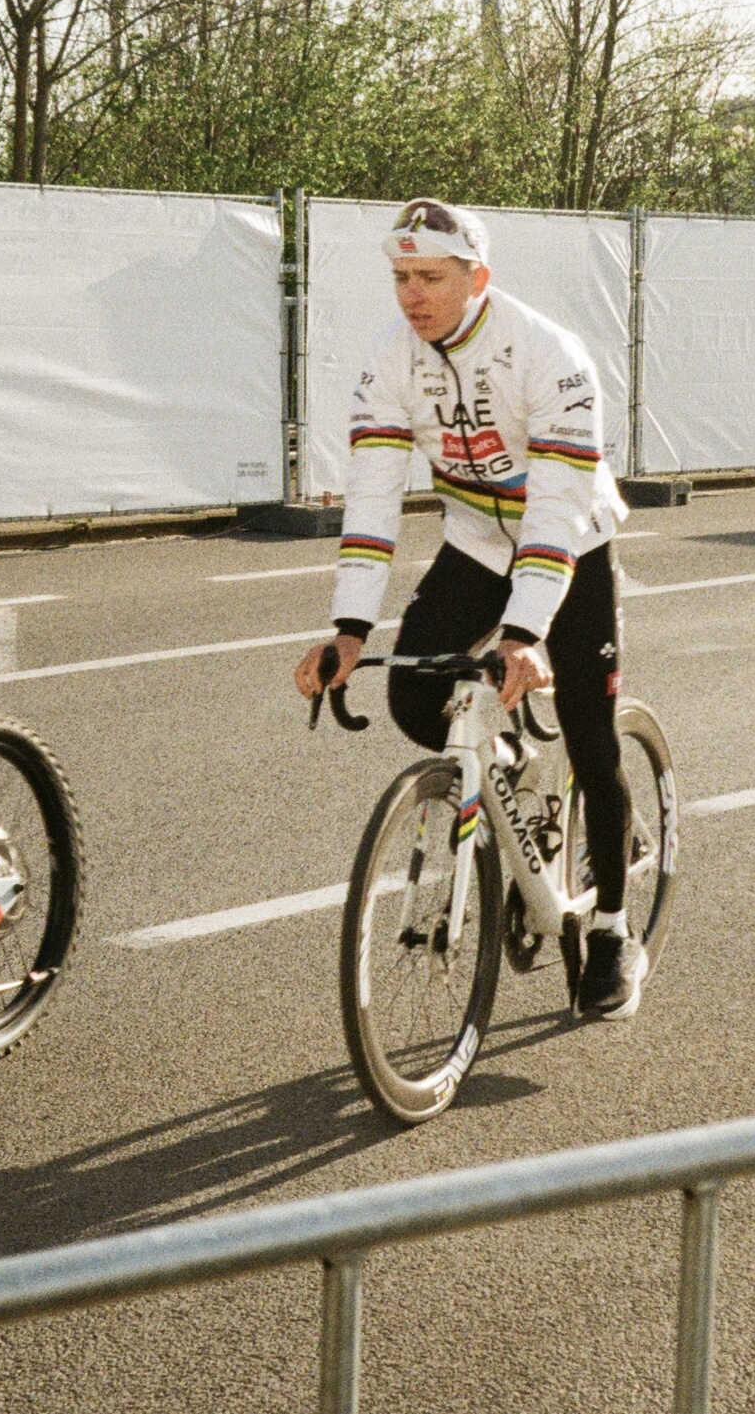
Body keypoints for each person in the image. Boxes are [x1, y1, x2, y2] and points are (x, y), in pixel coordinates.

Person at [292, 198, 645, 1017]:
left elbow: (555, 505)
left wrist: (527, 634)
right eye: (400, 277)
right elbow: (373, 501)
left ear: (476, 279)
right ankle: (507, 767)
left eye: (430, 278)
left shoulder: (550, 355)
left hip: (572, 543)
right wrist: (349, 628)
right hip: (477, 545)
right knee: (412, 693)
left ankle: (613, 932)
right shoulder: (390, 360)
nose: (412, 295)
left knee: (595, 742)